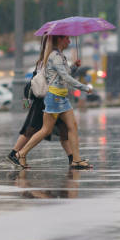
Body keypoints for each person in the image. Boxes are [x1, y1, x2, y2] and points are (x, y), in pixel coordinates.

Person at [14, 35, 93, 169]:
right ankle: (21, 153)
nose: (69, 41)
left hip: (62, 97)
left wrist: (74, 67)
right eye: (67, 39)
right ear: (60, 40)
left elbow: (65, 74)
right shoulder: (54, 56)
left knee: (72, 127)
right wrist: (84, 87)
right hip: (54, 98)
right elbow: (65, 77)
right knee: (45, 130)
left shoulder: (60, 55)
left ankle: (76, 160)